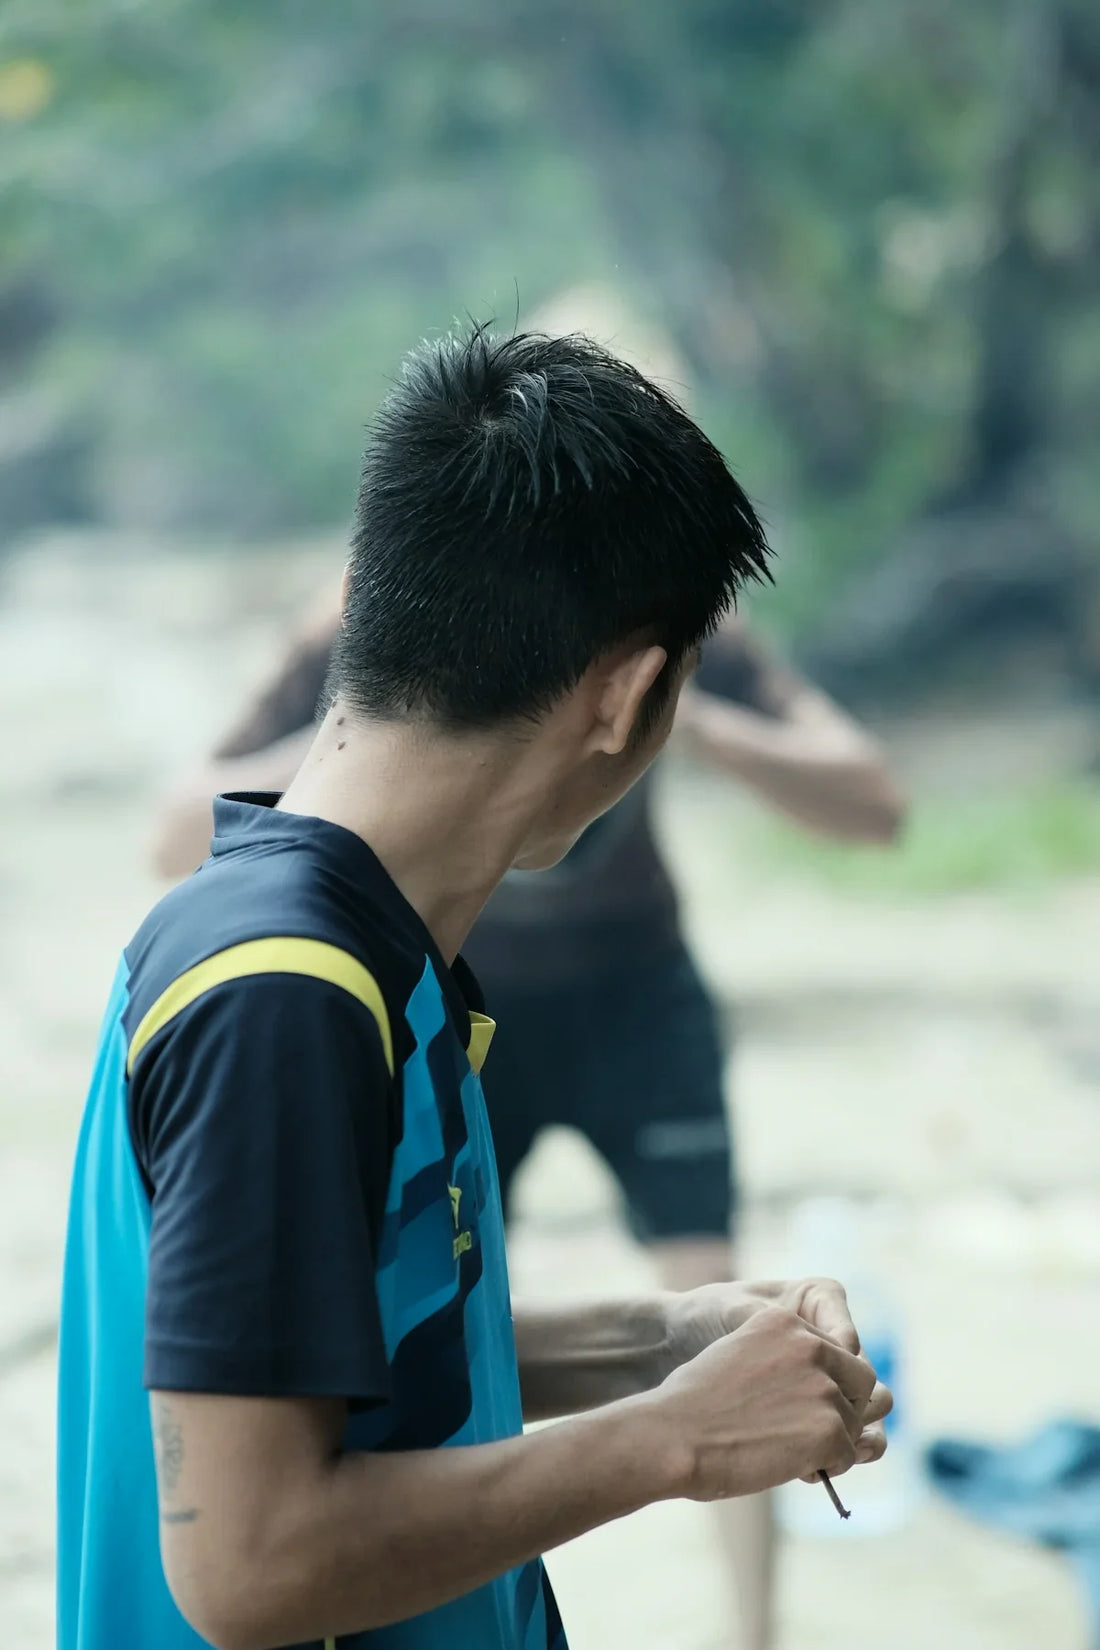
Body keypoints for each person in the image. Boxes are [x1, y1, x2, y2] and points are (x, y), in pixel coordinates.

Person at [60, 325, 891, 1650]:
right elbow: (253, 1566)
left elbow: (328, 1357)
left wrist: (653, 1337)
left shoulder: (366, 946)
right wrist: (669, 1440)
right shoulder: (281, 997)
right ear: (628, 696)